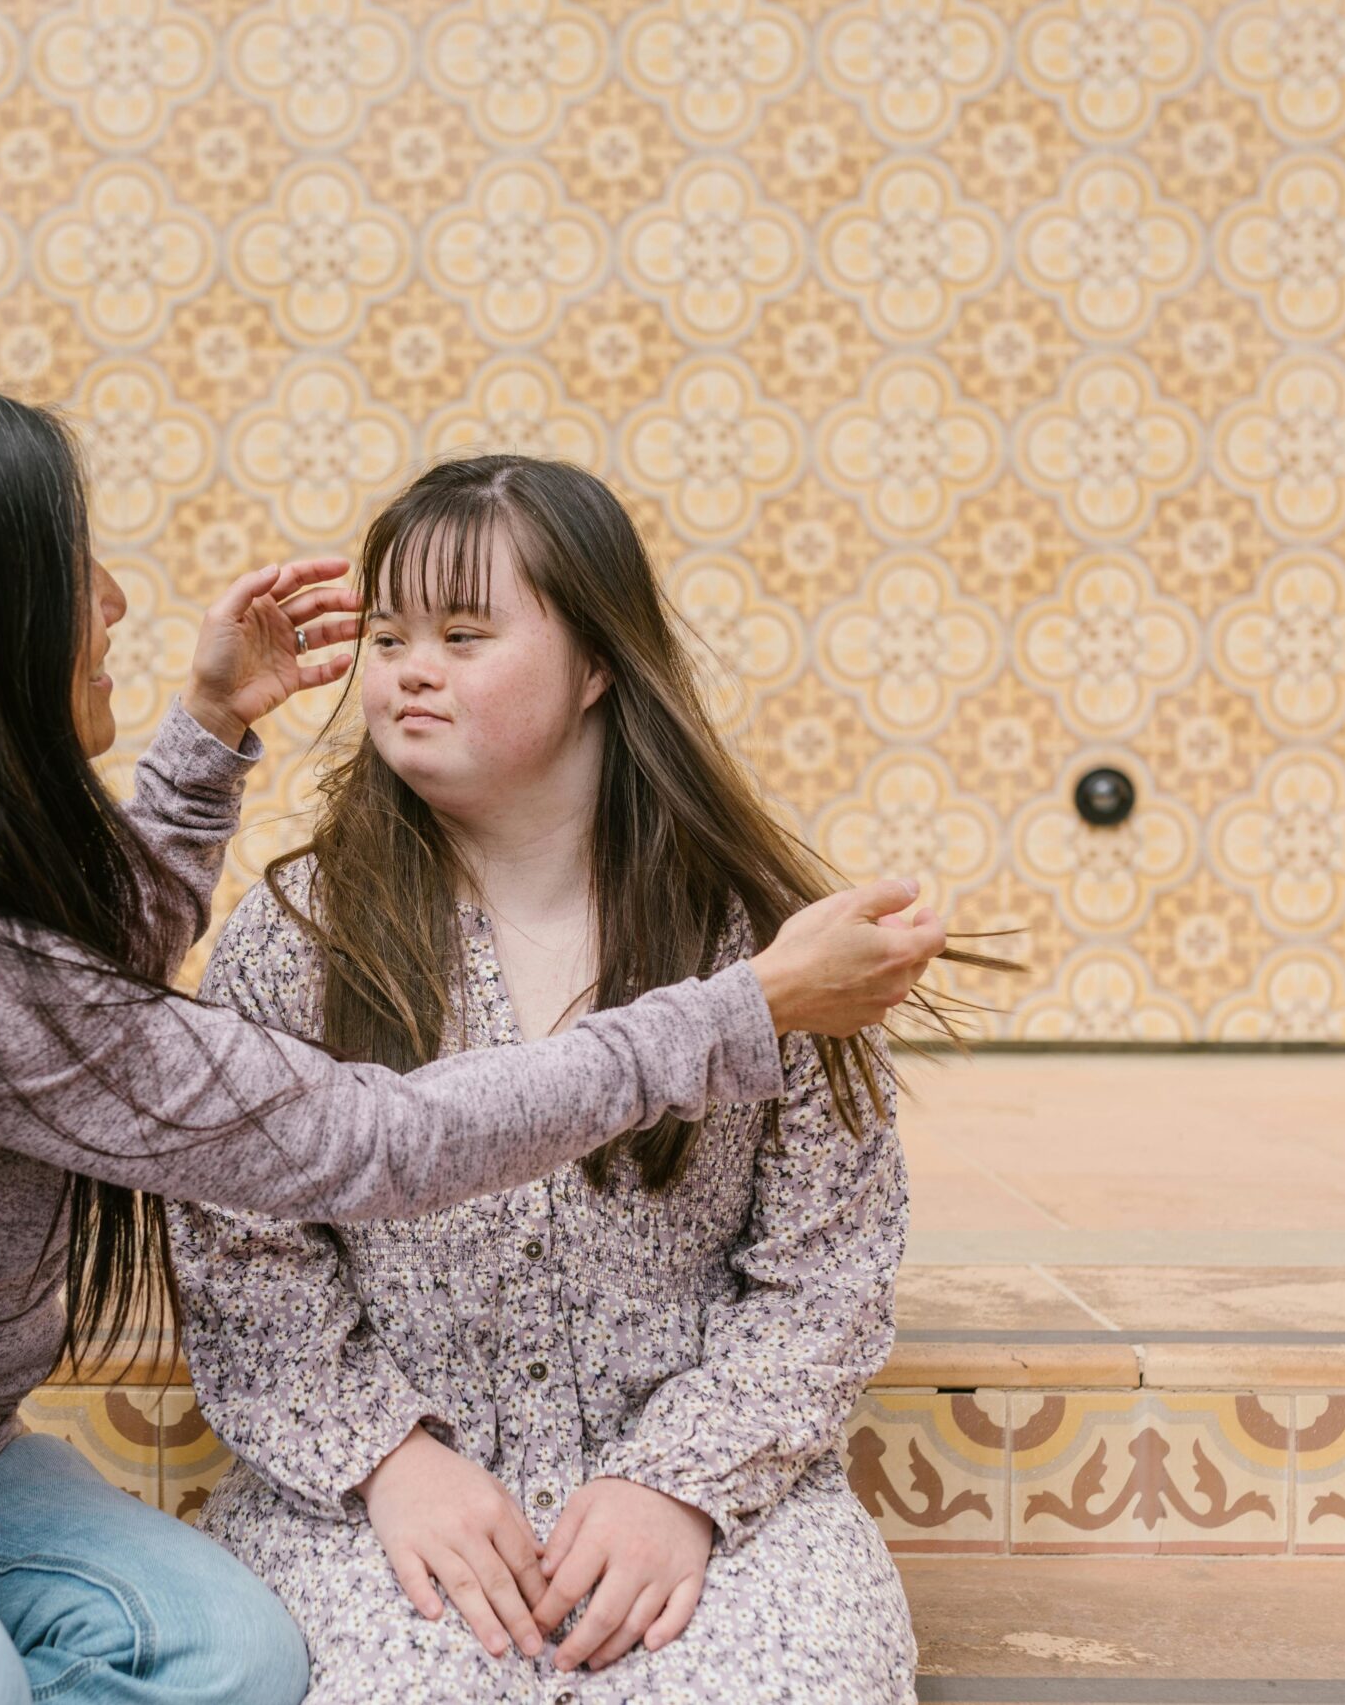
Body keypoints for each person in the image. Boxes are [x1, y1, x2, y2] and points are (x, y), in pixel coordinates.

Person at [0, 382, 951, 1705]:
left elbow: (84, 978)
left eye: (467, 633)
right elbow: (362, 1142)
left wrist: (207, 726)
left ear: (601, 666)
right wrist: (742, 1011)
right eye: (75, 571)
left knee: (234, 1655)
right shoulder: (95, 950)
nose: (122, 598)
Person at [172, 456, 973, 1704]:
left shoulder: (765, 947)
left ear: (598, 664)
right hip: (377, 1504)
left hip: (709, 1499)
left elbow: (828, 1270)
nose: (409, 668)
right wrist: (391, 1463)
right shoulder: (297, 934)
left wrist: (680, 1484)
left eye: (464, 633)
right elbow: (238, 1254)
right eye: (387, 636)